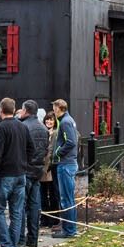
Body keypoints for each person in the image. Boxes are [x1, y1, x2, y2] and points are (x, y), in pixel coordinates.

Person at [0, 97, 31, 247]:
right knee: (16, 212)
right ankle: (12, 246)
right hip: (21, 174)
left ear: (0, 110)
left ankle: (6, 246)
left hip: (6, 175)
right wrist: (25, 164)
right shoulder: (22, 126)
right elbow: (31, 148)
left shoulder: (1, 128)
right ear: (14, 110)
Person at [17, 99, 49, 247]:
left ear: (26, 111)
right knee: (34, 205)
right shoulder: (43, 128)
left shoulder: (23, 127)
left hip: (25, 170)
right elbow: (45, 150)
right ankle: (33, 238)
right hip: (37, 170)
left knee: (21, 206)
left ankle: (21, 239)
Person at [51, 99, 80, 239]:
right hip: (69, 163)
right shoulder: (68, 120)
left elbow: (71, 142)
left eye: (54, 107)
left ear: (59, 108)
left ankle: (69, 230)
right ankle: (70, 228)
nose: (53, 110)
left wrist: (57, 152)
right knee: (69, 198)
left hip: (66, 164)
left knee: (66, 199)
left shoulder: (66, 122)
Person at [40, 111, 60, 227]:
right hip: (42, 167)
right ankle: (45, 218)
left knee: (53, 194)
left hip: (50, 168)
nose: (49, 121)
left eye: (51, 119)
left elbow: (51, 151)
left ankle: (54, 218)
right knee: (42, 195)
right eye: (47, 119)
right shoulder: (43, 132)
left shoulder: (56, 134)